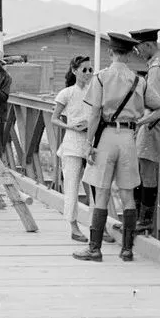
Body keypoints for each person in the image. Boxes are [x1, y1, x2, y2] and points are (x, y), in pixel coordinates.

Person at [73, 33, 160, 262]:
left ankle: (95, 249)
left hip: (106, 137)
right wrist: (140, 123)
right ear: (129, 54)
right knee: (127, 194)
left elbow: (95, 113)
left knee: (102, 193)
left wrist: (88, 143)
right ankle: (127, 250)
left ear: (110, 52)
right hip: (128, 138)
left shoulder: (101, 77)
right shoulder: (139, 81)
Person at [131, 28, 160, 233]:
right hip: (154, 121)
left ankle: (144, 220)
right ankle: (138, 218)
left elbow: (156, 103)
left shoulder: (157, 68)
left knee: (146, 171)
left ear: (148, 45)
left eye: (139, 48)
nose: (138, 53)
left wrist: (140, 123)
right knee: (143, 169)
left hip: (153, 122)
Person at [51, 56, 95, 243]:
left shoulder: (95, 92)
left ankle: (97, 226)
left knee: (96, 188)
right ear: (75, 71)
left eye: (90, 70)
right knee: (71, 187)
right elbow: (54, 118)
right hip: (72, 144)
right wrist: (71, 126)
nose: (88, 73)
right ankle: (73, 226)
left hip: (91, 144)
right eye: (84, 70)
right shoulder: (66, 93)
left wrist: (90, 124)